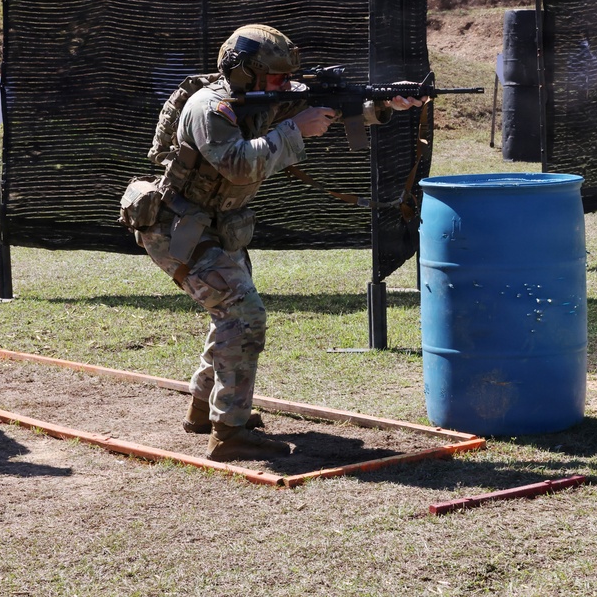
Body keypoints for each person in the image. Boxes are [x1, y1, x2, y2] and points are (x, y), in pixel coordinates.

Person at [121, 24, 426, 462]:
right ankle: (229, 434)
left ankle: (204, 412)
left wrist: (384, 103)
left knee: (230, 315)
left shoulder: (265, 96)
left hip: (213, 224)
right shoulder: (209, 107)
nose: (285, 86)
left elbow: (337, 108)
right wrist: (296, 130)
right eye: (277, 78)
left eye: (287, 78)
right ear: (244, 72)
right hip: (175, 228)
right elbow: (239, 165)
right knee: (242, 315)